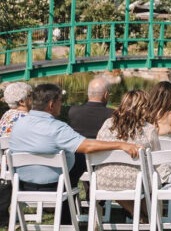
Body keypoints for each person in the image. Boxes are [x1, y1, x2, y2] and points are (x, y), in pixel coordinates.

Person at [9, 84, 139, 225]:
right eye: (60, 101)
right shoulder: (57, 128)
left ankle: (84, 209)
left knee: (72, 161)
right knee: (83, 158)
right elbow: (87, 146)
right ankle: (95, 201)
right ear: (51, 104)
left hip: (22, 184)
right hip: (55, 185)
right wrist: (120, 144)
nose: (61, 104)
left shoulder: (18, 125)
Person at [95, 90, 162, 215]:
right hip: (135, 181)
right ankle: (149, 217)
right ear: (144, 107)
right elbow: (156, 158)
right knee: (152, 178)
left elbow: (99, 145)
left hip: (104, 180)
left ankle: (138, 214)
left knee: (121, 179)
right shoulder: (148, 129)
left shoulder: (107, 124)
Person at [68, 76, 115, 185]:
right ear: (106, 95)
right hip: (102, 163)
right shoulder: (113, 115)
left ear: (88, 94)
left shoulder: (73, 112)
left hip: (77, 163)